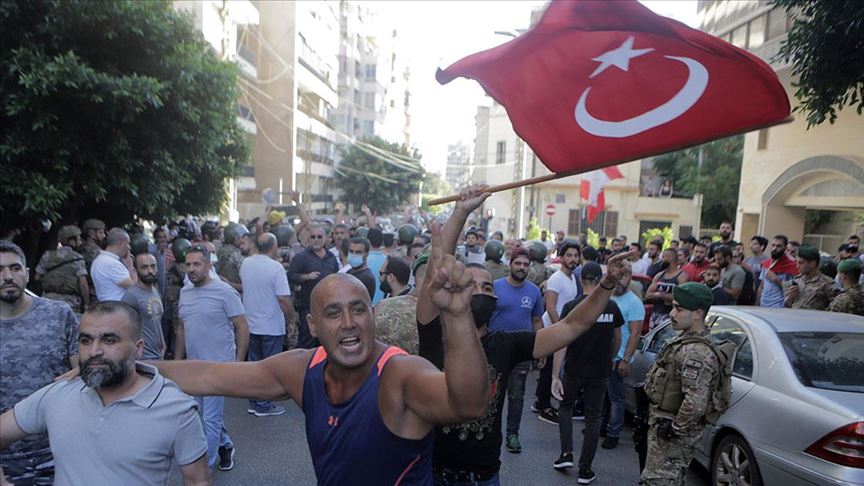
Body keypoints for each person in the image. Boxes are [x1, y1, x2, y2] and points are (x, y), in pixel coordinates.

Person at [149, 223, 491, 485]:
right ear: (313, 326)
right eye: (333, 313)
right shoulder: (302, 370)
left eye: (358, 310)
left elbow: (469, 404)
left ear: (373, 317)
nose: (348, 323)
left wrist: (457, 315)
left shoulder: (399, 373)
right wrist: (133, 366)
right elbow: (208, 375)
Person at [416, 186, 634, 485]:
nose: (478, 291)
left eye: (487, 287)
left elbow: (572, 326)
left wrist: (606, 284)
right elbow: (436, 268)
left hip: (484, 477)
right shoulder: (433, 332)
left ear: (496, 300)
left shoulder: (506, 343)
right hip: (434, 475)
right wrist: (461, 212)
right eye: (470, 285)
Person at [0, 302, 209, 485]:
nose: (94, 352)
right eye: (86, 341)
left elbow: (197, 481)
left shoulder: (176, 408)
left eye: (109, 341)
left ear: (138, 348)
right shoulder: (57, 394)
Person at [0, 241, 79, 484]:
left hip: (61, 452)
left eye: (15, 268)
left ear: (27, 273)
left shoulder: (59, 314)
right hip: (7, 460)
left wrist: (82, 372)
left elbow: (82, 370)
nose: (7, 276)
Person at [640, 283, 734, 485]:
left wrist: (674, 429)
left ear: (698, 313)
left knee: (659, 481)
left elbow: (695, 402)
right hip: (662, 425)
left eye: (679, 309)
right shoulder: (683, 340)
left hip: (672, 436)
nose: (672, 313)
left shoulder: (697, 353)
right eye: (673, 307)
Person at [176, 245, 249, 471]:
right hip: (193, 367)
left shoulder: (225, 291)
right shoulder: (185, 292)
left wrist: (238, 364)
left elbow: (242, 326)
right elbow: (181, 328)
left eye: (197, 264)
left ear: (209, 265)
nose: (191, 269)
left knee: (209, 419)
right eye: (188, 264)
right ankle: (225, 445)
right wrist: (177, 363)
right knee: (200, 415)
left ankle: (202, 472)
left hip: (219, 367)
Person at [551, 262, 623, 484]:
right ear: (600, 280)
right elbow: (617, 338)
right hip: (600, 371)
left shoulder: (572, 306)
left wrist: (555, 376)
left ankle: (566, 454)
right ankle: (585, 469)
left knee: (565, 407)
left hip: (574, 369)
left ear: (581, 280)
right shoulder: (611, 307)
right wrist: (611, 358)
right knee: (593, 417)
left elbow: (562, 342)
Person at [488, 247, 544, 454]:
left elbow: (537, 321)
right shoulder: (496, 287)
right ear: (510, 265)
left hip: (521, 352)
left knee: (517, 396)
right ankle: (487, 432)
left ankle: (512, 434)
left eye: (525, 264)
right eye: (518, 263)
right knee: (491, 395)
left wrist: (541, 349)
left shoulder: (534, 291)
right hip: (496, 349)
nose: (521, 267)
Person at [240, 233, 296, 417]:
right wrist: (291, 319)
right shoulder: (276, 268)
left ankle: (254, 401)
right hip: (271, 326)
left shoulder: (246, 263)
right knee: (270, 368)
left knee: (254, 366)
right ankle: (264, 405)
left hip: (251, 324)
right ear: (274, 247)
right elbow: (283, 298)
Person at [535, 241, 583, 425]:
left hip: (562, 329)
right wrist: (561, 328)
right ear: (561, 258)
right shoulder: (556, 279)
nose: (573, 259)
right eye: (569, 255)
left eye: (575, 256)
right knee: (548, 368)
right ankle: (544, 406)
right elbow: (551, 307)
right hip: (552, 328)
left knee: (552, 367)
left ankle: (540, 401)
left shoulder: (572, 278)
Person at [603, 263, 645, 449]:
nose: (620, 280)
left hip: (619, 358)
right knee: (603, 395)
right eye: (617, 276)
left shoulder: (634, 303)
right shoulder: (606, 296)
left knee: (616, 398)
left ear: (630, 278)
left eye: (624, 276)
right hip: (603, 356)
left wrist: (625, 360)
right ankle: (602, 426)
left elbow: (635, 334)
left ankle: (613, 433)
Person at [287, 223, 340, 349]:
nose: (316, 240)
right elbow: (290, 276)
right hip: (308, 308)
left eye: (319, 237)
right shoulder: (301, 257)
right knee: (307, 343)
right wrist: (306, 277)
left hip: (329, 307)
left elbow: (337, 276)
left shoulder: (331, 257)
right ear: (309, 239)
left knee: (328, 341)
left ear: (325, 238)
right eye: (313, 237)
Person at [374, 255, 427, 355]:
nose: (379, 277)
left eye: (381, 274)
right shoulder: (419, 303)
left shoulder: (385, 307)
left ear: (391, 277)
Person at [34, 225, 89, 313]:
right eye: (78, 239)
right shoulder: (77, 258)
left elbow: (37, 277)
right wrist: (86, 303)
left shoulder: (47, 255)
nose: (80, 242)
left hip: (47, 300)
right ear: (71, 240)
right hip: (69, 303)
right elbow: (83, 283)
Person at [121, 253, 165, 359]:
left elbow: (156, 322)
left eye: (153, 266)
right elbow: (123, 328)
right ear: (136, 270)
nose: (150, 271)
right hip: (143, 357)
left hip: (158, 354)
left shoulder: (155, 291)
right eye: (144, 267)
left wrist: (163, 345)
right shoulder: (131, 295)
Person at [783, 245, 839, 310]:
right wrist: (790, 297)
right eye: (797, 262)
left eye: (801, 263)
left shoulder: (827, 283)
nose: (797, 266)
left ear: (812, 264)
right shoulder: (796, 280)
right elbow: (787, 305)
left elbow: (836, 308)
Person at [646, 248, 688, 330]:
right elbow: (648, 295)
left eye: (663, 257)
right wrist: (660, 296)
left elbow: (681, 297)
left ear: (670, 258)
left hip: (671, 315)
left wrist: (661, 295)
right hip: (655, 314)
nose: (661, 260)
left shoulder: (682, 276)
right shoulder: (659, 275)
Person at [90, 228, 135, 302]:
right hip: (118, 306)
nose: (129, 247)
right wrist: (130, 267)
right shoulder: (112, 263)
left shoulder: (98, 260)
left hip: (108, 305)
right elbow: (135, 288)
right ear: (120, 243)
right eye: (128, 243)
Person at [756, 235, 798, 308]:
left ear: (785, 248)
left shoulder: (791, 266)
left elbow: (792, 290)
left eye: (779, 246)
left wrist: (776, 280)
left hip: (779, 307)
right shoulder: (766, 264)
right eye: (773, 245)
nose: (775, 248)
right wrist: (757, 304)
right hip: (763, 306)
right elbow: (761, 287)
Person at [216, 223, 247, 293]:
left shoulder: (219, 250)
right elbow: (248, 285)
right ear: (236, 238)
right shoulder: (237, 255)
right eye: (242, 237)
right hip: (235, 293)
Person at [365, 228, 388, 305]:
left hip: (367, 305)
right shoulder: (387, 260)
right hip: (383, 305)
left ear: (368, 241)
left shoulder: (364, 261)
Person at [149, 227, 171, 297]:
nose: (162, 239)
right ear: (156, 238)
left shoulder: (171, 250)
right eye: (160, 237)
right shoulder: (151, 249)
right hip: (155, 281)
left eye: (164, 237)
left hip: (168, 283)